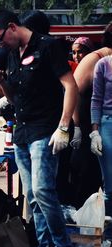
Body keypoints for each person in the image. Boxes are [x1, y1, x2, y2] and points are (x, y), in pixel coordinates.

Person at [0, 9, 78, 247]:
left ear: (12, 27)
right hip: (22, 133)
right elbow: (15, 99)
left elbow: (70, 86)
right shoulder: (12, 55)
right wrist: (3, 80)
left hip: (45, 129)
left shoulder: (48, 46)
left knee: (43, 192)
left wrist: (64, 126)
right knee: (33, 198)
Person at [71, 25, 112, 208]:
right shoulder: (98, 61)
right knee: (89, 179)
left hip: (95, 125)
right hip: (90, 126)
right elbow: (75, 93)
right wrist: (78, 128)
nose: (76, 55)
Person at [90, 53, 112, 240]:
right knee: (110, 185)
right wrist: (94, 132)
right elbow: (96, 99)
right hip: (107, 123)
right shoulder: (103, 65)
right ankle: (108, 237)